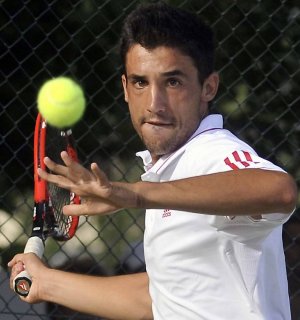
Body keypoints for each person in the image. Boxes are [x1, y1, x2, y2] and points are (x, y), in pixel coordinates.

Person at [9, 2, 297, 320]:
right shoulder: (166, 171)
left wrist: (133, 195)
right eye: (140, 82)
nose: (154, 104)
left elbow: (279, 190)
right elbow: (157, 298)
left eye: (173, 82)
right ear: (125, 88)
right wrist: (47, 283)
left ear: (208, 87)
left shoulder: (213, 152)